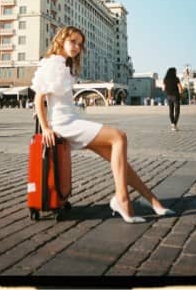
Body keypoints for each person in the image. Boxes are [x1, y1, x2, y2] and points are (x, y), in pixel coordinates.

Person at [32, 25, 174, 223]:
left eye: (79, 44)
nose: (76, 47)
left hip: (73, 121)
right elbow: (39, 99)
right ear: (61, 40)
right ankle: (122, 200)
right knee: (119, 137)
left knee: (120, 163)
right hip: (64, 124)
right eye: (72, 41)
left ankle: (153, 201)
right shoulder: (52, 63)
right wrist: (46, 128)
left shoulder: (65, 65)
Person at [162, 68, 183, 132]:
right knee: (177, 111)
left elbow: (163, 89)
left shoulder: (165, 79)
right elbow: (180, 88)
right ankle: (174, 124)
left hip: (169, 96)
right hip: (176, 96)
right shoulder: (176, 78)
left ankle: (172, 124)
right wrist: (181, 93)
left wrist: (167, 91)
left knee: (171, 111)